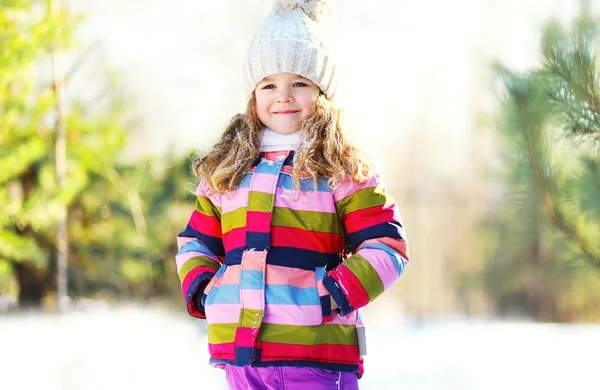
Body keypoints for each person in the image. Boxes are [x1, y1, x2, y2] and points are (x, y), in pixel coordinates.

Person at [175, 0, 409, 388]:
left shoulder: (342, 166)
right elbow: (196, 242)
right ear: (253, 95)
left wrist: (332, 293)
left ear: (322, 90)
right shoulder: (228, 169)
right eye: (269, 85)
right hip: (242, 357)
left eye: (298, 82)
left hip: (316, 356)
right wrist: (204, 289)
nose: (282, 95)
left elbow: (386, 245)